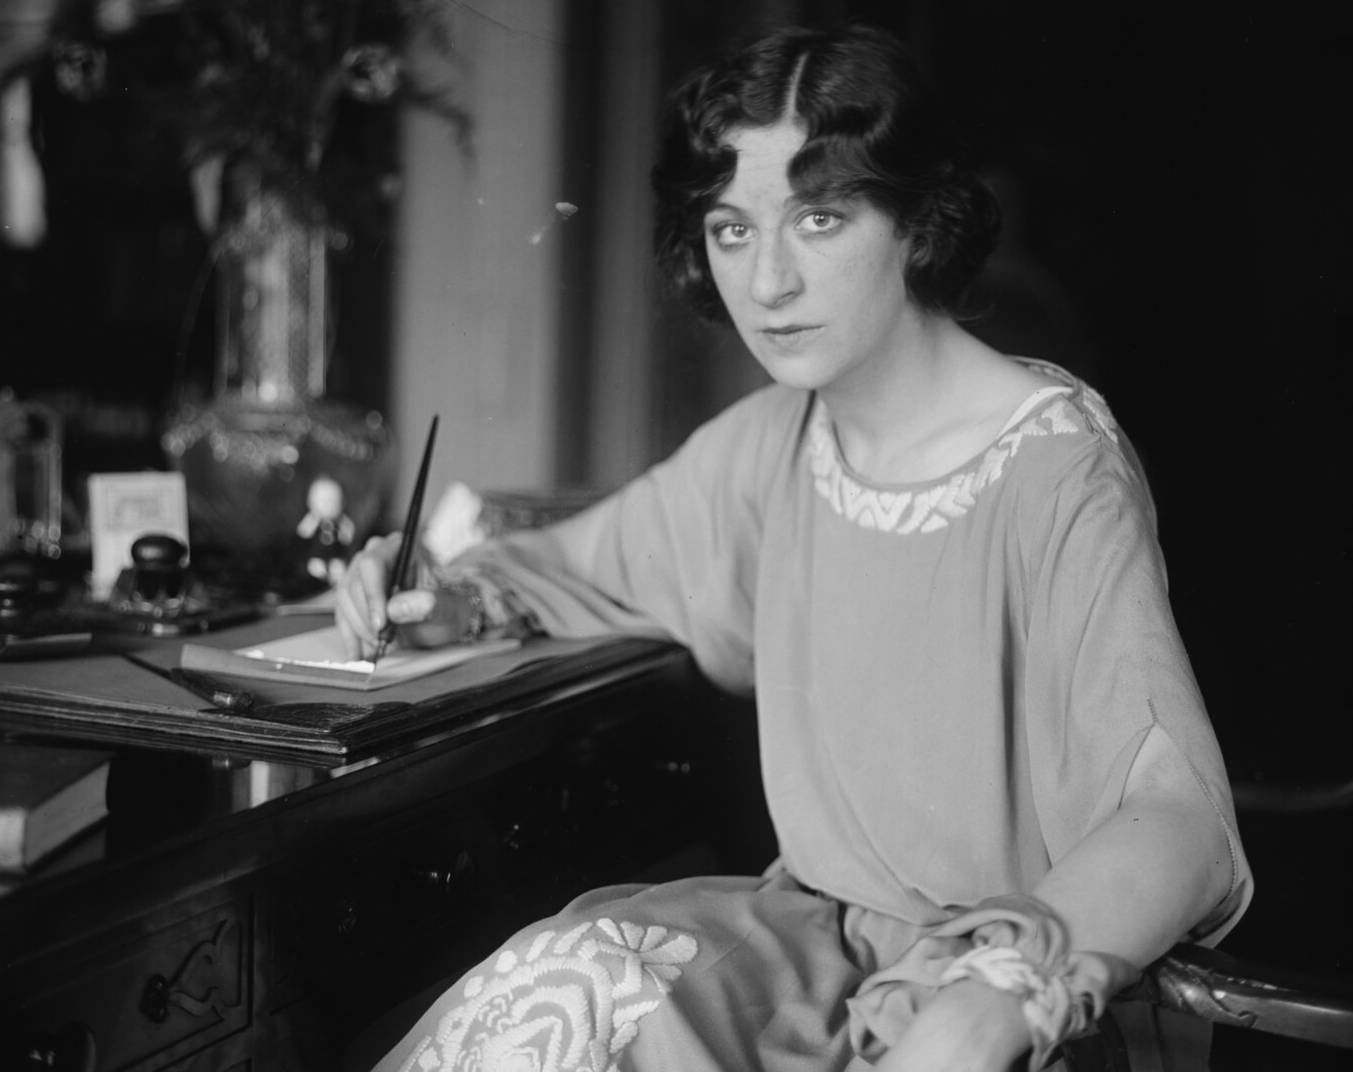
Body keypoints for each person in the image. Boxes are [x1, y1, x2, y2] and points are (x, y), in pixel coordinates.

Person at [337, 23, 1251, 1072]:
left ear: (917, 222)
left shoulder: (1056, 464)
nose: (767, 281)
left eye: (818, 218)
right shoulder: (774, 443)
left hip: (997, 983)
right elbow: (577, 561)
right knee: (557, 994)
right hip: (810, 957)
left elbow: (1176, 811)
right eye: (732, 229)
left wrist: (998, 992)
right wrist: (446, 599)